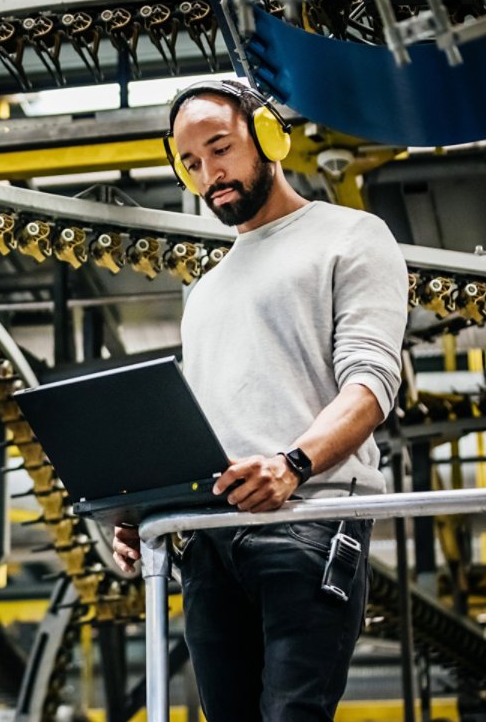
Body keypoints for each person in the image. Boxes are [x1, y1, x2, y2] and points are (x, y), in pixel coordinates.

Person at [112, 81, 409, 722]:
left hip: (309, 522)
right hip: (210, 541)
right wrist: (148, 507)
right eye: (190, 163)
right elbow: (209, 426)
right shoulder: (206, 291)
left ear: (269, 137)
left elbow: (372, 384)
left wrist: (292, 464)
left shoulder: (351, 236)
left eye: (219, 149)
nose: (208, 174)